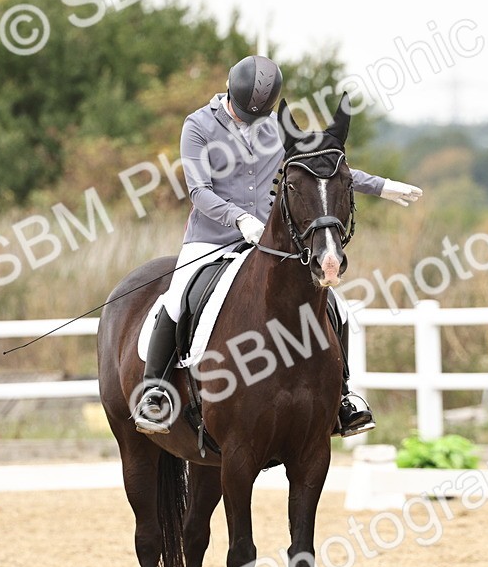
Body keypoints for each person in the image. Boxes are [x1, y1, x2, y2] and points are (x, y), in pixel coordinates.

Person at [134, 55, 423, 436]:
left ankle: (343, 397)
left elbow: (319, 167)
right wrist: (239, 219)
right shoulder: (198, 125)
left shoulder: (275, 128)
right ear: (230, 94)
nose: (250, 122)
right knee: (177, 298)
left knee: (338, 306)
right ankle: (155, 390)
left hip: (273, 242)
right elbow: (198, 190)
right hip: (211, 238)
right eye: (243, 114)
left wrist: (382, 186)